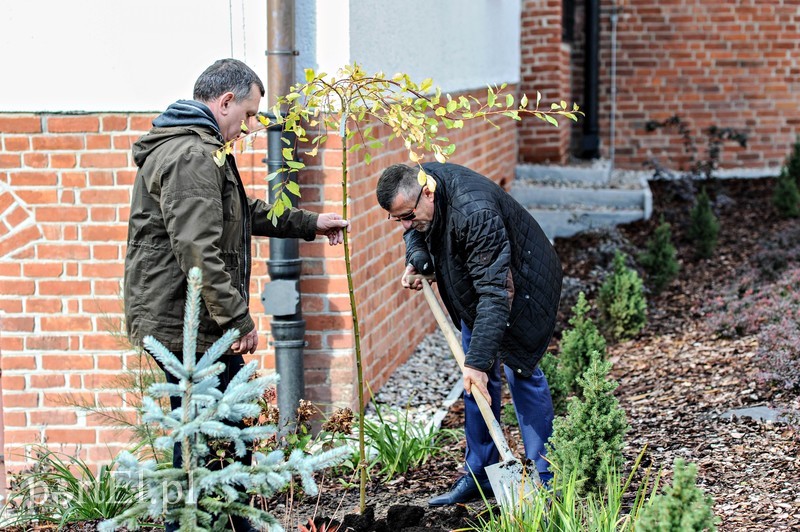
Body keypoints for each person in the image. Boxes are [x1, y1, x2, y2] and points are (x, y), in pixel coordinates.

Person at [124, 58, 349, 531]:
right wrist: (236, 320)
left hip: (194, 318)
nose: (248, 127)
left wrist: (308, 223)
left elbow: (237, 212)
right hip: (186, 323)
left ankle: (231, 523)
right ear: (225, 102)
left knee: (221, 434)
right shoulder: (192, 155)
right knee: (207, 440)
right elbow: (198, 249)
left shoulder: (198, 147)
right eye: (247, 114)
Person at [376, 162, 562, 506]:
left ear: (428, 193)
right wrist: (418, 257)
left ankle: (545, 479)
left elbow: (495, 293)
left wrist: (476, 363)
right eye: (396, 218)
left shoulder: (475, 212)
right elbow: (415, 232)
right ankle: (480, 475)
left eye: (407, 215)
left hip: (522, 284)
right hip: (478, 285)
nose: (404, 224)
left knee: (521, 371)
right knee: (475, 383)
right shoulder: (420, 185)